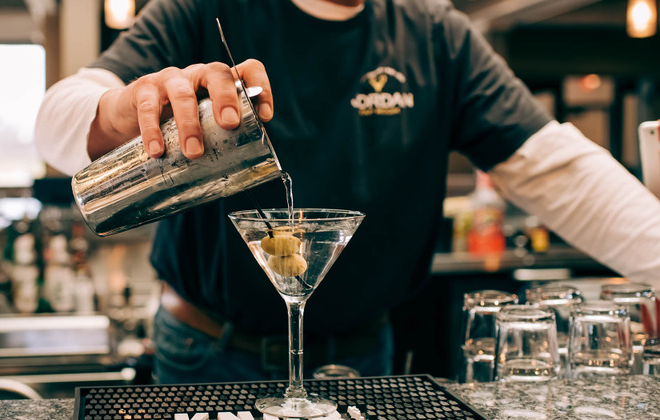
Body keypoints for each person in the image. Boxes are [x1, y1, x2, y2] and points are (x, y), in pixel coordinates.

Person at [35, 0, 660, 384]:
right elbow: (56, 121)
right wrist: (118, 111)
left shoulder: (438, 37)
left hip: (362, 357)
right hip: (206, 353)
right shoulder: (207, 10)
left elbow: (561, 171)